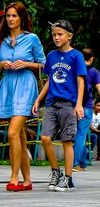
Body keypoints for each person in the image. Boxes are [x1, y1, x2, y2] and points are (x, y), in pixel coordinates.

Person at [0, 1, 46, 192]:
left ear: (22, 18)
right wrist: (2, 64)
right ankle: (27, 180)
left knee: (13, 132)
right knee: (20, 135)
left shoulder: (32, 39)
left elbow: (44, 65)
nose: (11, 19)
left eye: (15, 15)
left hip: (26, 86)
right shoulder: (0, 41)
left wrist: (27, 64)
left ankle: (14, 178)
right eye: (8, 16)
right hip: (8, 87)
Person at [32, 19, 87, 192]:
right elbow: (49, 80)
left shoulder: (76, 56)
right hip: (52, 104)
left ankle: (68, 179)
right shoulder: (51, 56)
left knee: (67, 141)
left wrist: (78, 104)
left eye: (60, 34)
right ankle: (56, 171)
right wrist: (38, 99)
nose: (56, 37)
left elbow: (81, 81)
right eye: (54, 34)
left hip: (69, 104)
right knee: (45, 138)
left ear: (69, 36)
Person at [73, 48, 100, 171]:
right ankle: (76, 163)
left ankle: (82, 163)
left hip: (71, 104)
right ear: (92, 59)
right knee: (81, 134)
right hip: (86, 106)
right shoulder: (94, 72)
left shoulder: (73, 69)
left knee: (76, 134)